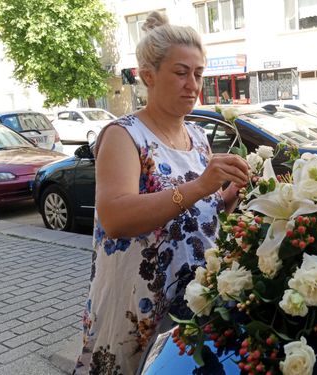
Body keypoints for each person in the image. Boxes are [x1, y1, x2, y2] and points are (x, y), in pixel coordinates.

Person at [73, 12, 249, 375]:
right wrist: (201, 185)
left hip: (193, 302)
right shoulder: (124, 135)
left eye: (198, 74)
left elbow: (199, 216)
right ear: (148, 76)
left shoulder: (198, 138)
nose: (193, 84)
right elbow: (116, 217)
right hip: (136, 307)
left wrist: (230, 195)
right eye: (181, 72)